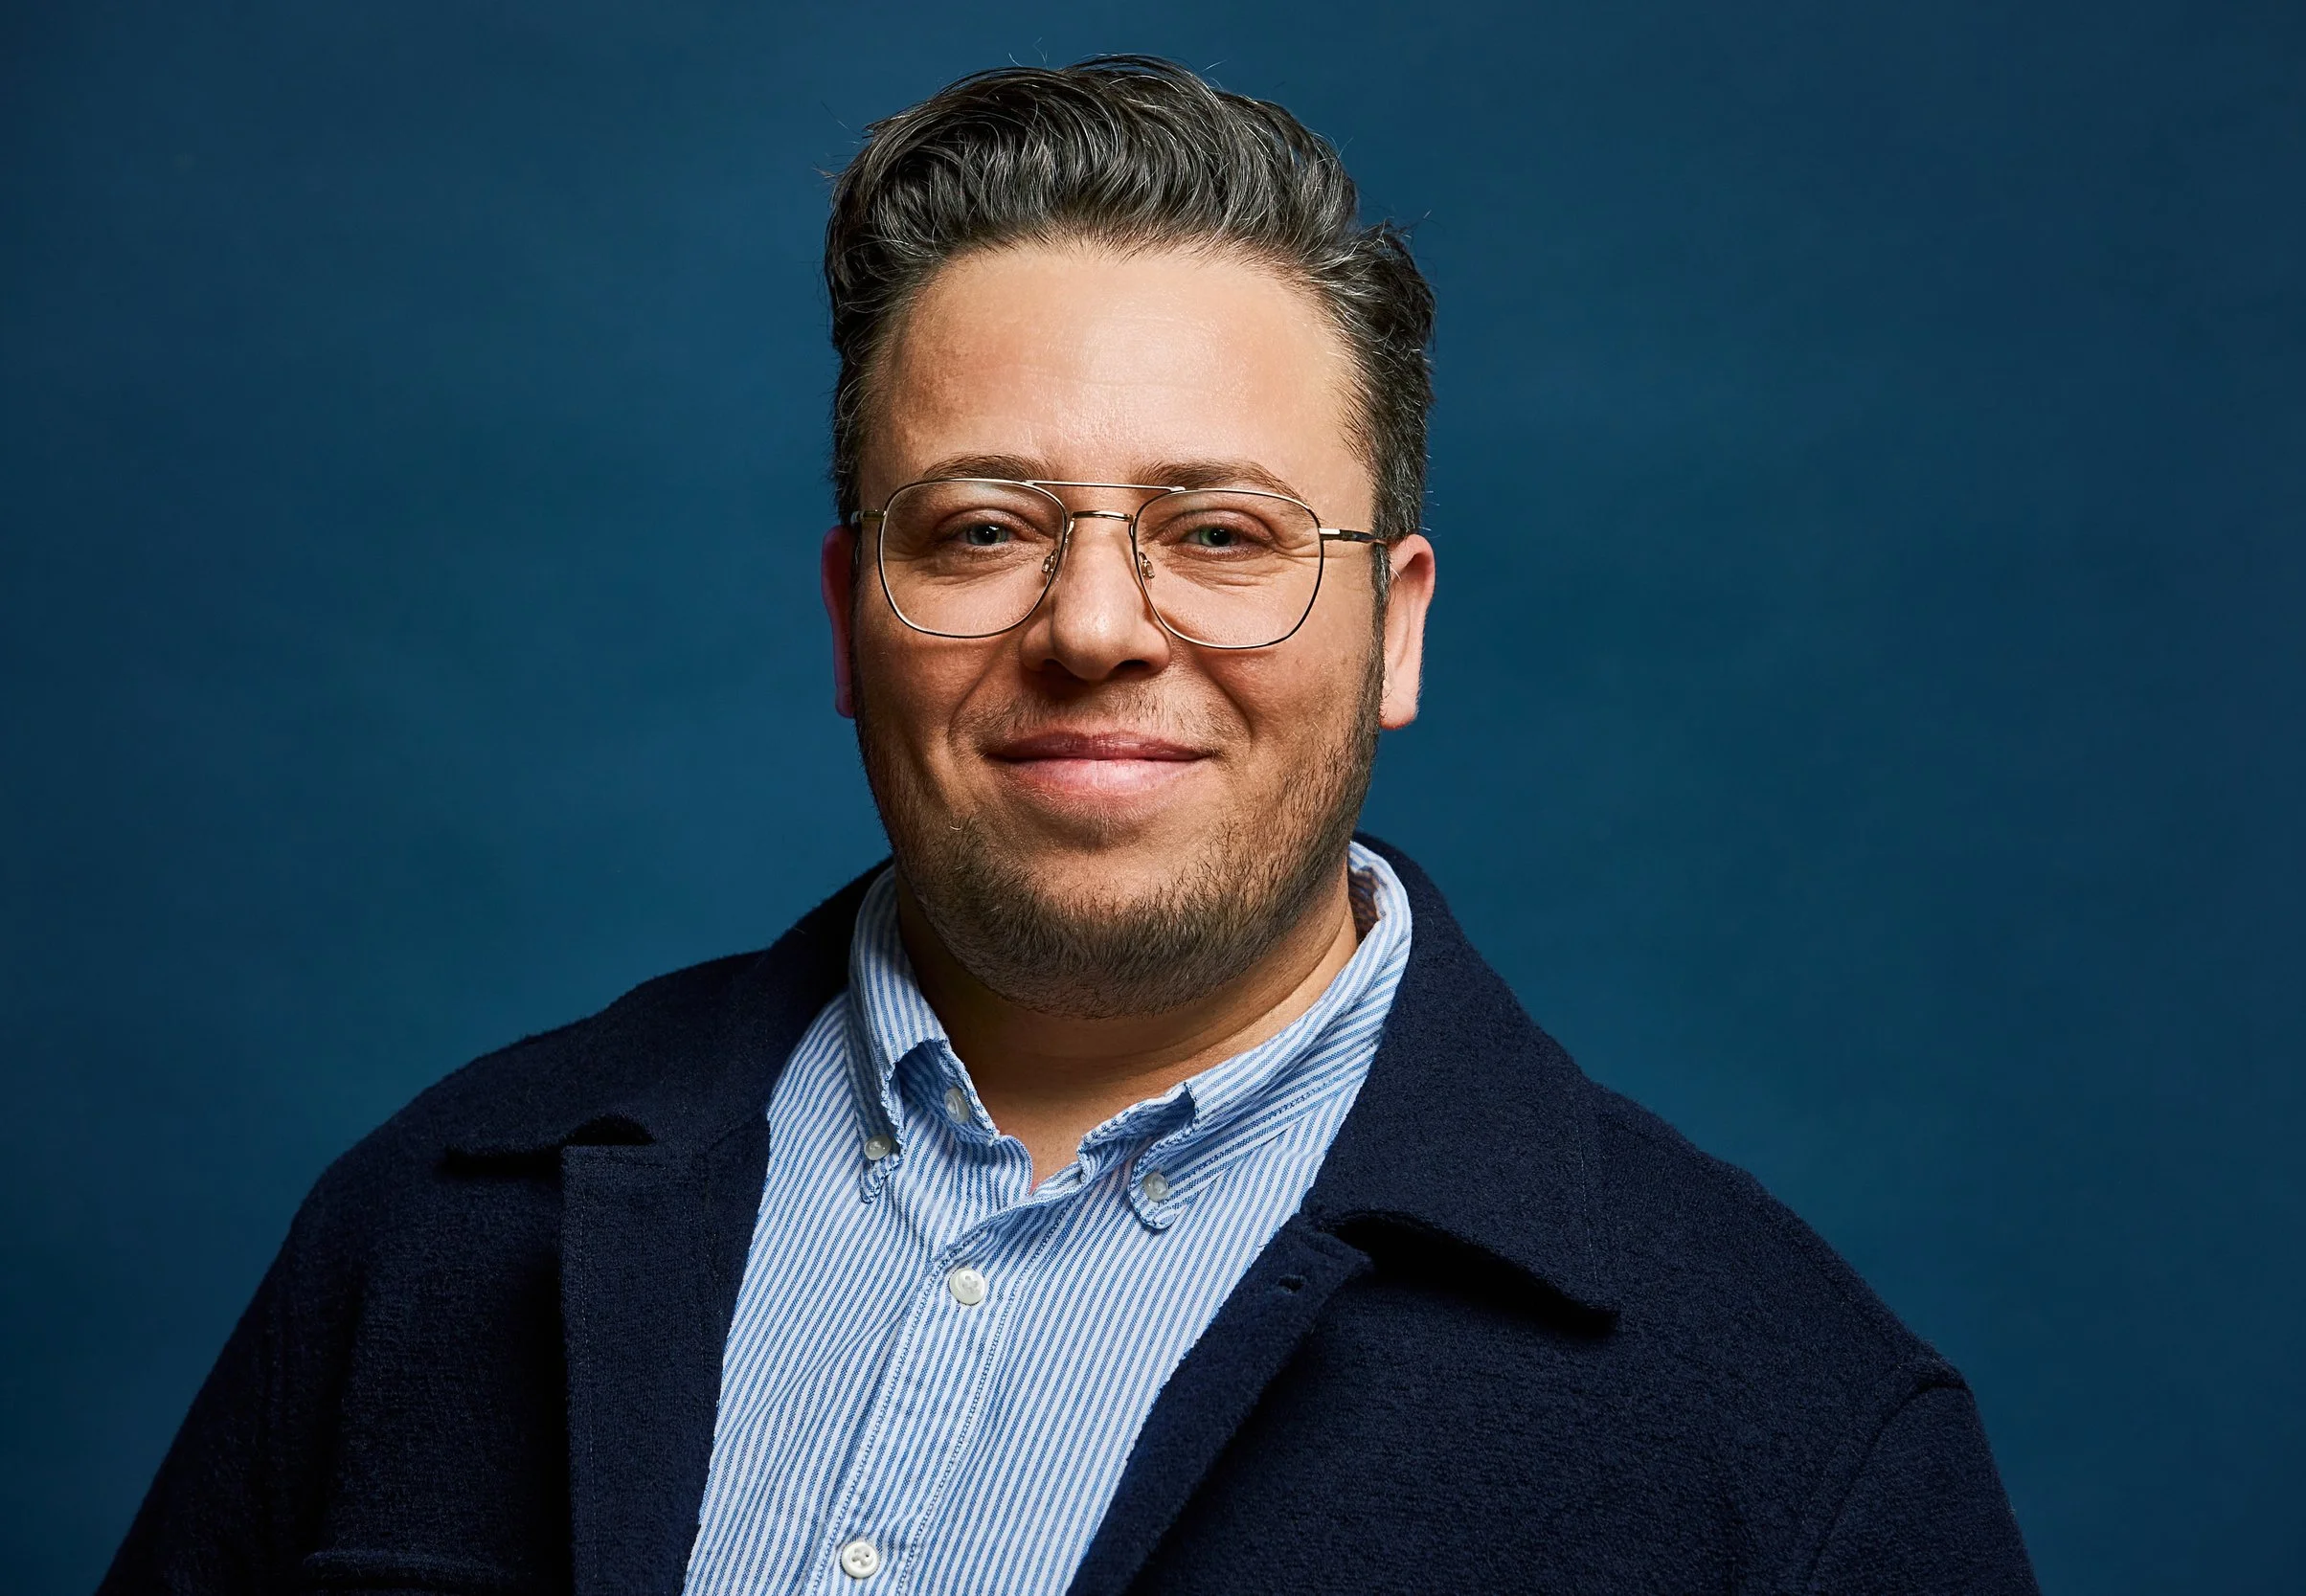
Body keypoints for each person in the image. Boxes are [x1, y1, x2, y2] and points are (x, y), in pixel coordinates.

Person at [103, 56, 2039, 1596]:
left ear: (1395, 629)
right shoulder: (433, 1221)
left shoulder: (1790, 1432)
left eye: (1221, 532)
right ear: (850, 616)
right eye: (980, 527)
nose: (1096, 625)